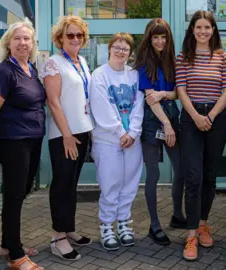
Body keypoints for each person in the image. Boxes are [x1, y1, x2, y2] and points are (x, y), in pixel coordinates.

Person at [0, 19, 45, 270]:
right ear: (8, 42)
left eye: (27, 39)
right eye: (17, 38)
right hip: (13, 142)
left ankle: (6, 244)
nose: (22, 43)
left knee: (20, 193)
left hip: (32, 139)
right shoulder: (4, 71)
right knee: (14, 195)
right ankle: (16, 256)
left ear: (32, 44)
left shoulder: (30, 67)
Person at [175, 10, 226, 260]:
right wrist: (197, 117)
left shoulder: (222, 57)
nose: (202, 32)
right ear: (192, 30)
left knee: (209, 176)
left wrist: (211, 116)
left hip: (217, 118)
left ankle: (202, 224)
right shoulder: (183, 57)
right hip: (191, 118)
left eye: (207, 27)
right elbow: (181, 90)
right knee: (194, 176)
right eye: (198, 27)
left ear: (213, 30)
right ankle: (190, 236)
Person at [39, 15, 94, 260]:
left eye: (79, 35)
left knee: (72, 183)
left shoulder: (81, 60)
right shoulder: (53, 63)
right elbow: (53, 101)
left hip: (82, 129)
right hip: (64, 134)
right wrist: (67, 135)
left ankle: (68, 228)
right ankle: (57, 236)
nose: (74, 39)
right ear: (60, 38)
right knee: (62, 184)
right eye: (69, 35)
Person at [133, 18, 186, 245]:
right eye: (155, 37)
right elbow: (149, 98)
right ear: (149, 38)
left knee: (180, 169)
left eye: (163, 36)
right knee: (153, 175)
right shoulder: (144, 63)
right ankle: (154, 226)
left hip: (172, 119)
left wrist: (164, 94)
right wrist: (166, 124)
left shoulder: (173, 61)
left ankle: (177, 215)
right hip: (152, 123)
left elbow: (176, 93)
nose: (160, 41)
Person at [90, 33, 144, 251]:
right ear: (109, 49)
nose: (121, 51)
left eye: (125, 49)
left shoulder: (134, 75)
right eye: (117, 47)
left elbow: (139, 104)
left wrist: (133, 132)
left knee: (129, 184)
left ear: (130, 53)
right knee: (110, 184)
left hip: (132, 139)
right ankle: (106, 226)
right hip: (107, 139)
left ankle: (123, 223)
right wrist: (120, 132)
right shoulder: (99, 75)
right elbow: (101, 107)